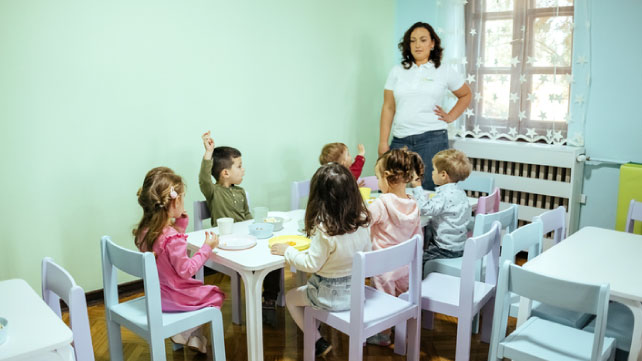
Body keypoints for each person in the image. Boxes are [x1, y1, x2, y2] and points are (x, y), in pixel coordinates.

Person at [270, 163, 371, 357]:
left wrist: (288, 251)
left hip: (328, 296)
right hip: (357, 295)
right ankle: (317, 328)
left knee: (291, 298)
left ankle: (318, 341)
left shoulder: (324, 229)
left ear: (319, 197)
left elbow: (310, 264)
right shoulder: (363, 220)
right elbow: (367, 254)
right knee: (306, 293)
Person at [134, 167, 224, 353]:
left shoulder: (145, 231)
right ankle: (188, 333)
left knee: (201, 291)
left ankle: (195, 337)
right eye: (182, 196)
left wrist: (180, 226)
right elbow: (186, 270)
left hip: (157, 296)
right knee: (215, 295)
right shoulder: (172, 238)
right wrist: (207, 247)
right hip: (175, 296)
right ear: (173, 202)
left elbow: (166, 256)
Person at [198, 131, 280, 326]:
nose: (243, 170)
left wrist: (259, 227)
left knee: (274, 256)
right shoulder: (214, 192)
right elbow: (203, 178)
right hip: (227, 244)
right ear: (225, 172)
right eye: (239, 166)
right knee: (257, 263)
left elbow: (248, 216)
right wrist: (208, 152)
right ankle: (254, 302)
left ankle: (269, 299)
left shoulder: (241, 192)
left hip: (248, 239)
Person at [378, 21, 472, 190]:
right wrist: (383, 142)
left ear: (432, 43)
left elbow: (465, 94)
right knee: (392, 189)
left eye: (422, 40)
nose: (417, 45)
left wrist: (451, 116)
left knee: (430, 191)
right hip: (400, 140)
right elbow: (388, 107)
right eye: (412, 41)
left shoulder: (444, 70)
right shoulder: (397, 71)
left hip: (433, 139)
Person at [366, 148, 424, 346]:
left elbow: (361, 222)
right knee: (398, 300)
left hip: (382, 269)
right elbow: (418, 237)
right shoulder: (413, 203)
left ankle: (381, 335)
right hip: (405, 268)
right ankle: (401, 325)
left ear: (386, 177)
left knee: (381, 302)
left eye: (377, 177)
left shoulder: (382, 203)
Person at [408, 149, 473, 278]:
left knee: (416, 262)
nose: (432, 173)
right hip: (460, 247)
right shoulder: (460, 192)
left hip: (444, 249)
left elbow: (424, 208)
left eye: (433, 170)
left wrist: (417, 186)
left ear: (443, 174)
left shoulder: (444, 196)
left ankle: (418, 288)